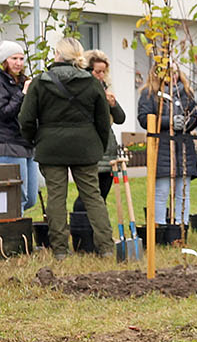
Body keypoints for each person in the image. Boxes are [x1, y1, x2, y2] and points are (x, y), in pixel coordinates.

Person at [19, 36, 114, 257]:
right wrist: (97, 144)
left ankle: (60, 250)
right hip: (86, 147)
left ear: (58, 54)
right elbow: (103, 119)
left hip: (51, 147)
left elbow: (26, 119)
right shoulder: (91, 82)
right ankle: (107, 248)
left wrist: (35, 139)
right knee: (93, 197)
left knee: (56, 198)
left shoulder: (40, 82)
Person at [135, 65, 197, 226]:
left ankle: (181, 226)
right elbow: (144, 118)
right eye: (169, 73)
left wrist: (187, 122)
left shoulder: (186, 93)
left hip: (183, 147)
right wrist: (168, 122)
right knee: (161, 191)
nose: (174, 76)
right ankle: (160, 226)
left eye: (176, 72)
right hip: (161, 147)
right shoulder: (149, 93)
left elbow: (195, 115)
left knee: (182, 192)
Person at [85, 50, 128, 206]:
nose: (101, 75)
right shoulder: (84, 90)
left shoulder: (106, 89)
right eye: (98, 71)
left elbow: (121, 118)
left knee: (102, 195)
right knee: (89, 197)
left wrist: (113, 105)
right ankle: (80, 227)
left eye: (104, 72)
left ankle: (94, 229)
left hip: (108, 150)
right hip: (92, 149)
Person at [0, 40, 38, 217]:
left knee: (31, 198)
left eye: (21, 58)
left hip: (27, 143)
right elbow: (4, 113)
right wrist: (22, 93)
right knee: (16, 198)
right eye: (14, 58)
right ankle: (14, 238)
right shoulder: (2, 83)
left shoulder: (24, 81)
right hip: (9, 144)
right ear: (4, 61)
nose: (19, 62)